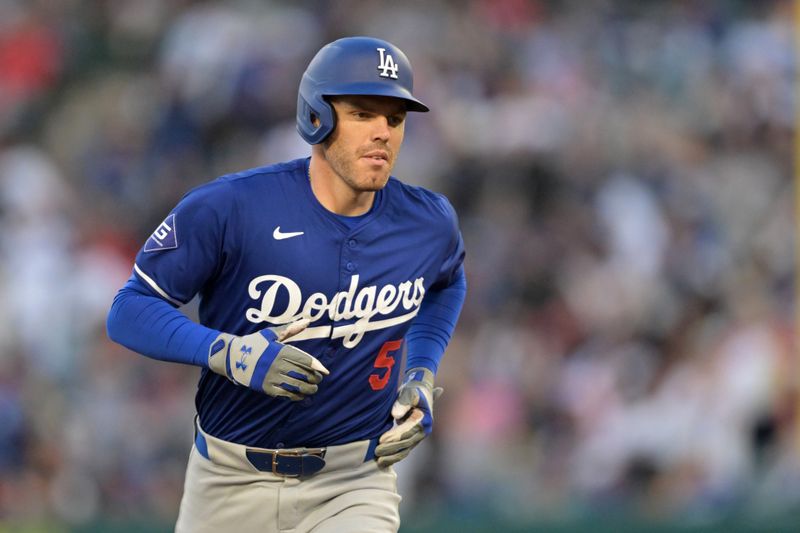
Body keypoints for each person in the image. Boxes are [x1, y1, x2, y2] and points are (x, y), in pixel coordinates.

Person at [106, 36, 466, 533]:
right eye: (363, 113)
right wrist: (226, 352)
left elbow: (447, 283)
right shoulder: (232, 206)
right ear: (317, 117)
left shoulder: (428, 221)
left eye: (395, 119)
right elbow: (129, 309)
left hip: (354, 482)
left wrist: (421, 373)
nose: (383, 132)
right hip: (228, 481)